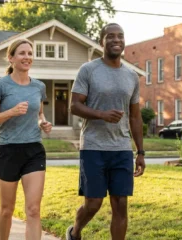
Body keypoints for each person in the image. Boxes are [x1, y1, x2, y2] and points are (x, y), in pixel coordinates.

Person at [66, 23, 146, 240]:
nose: (116, 40)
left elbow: (135, 116)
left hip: (121, 148)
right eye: (110, 36)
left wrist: (140, 152)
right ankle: (75, 232)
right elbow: (73, 106)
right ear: (101, 41)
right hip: (93, 146)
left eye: (120, 36)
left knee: (121, 204)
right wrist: (101, 114)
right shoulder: (88, 70)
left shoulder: (131, 76)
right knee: (93, 204)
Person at [0, 38, 52, 240]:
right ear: (11, 58)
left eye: (30, 53)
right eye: (22, 53)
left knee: (33, 210)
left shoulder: (38, 86)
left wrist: (43, 123)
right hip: (7, 150)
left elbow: (39, 114)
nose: (27, 57)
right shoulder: (0, 85)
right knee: (6, 210)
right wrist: (10, 112)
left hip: (33, 150)